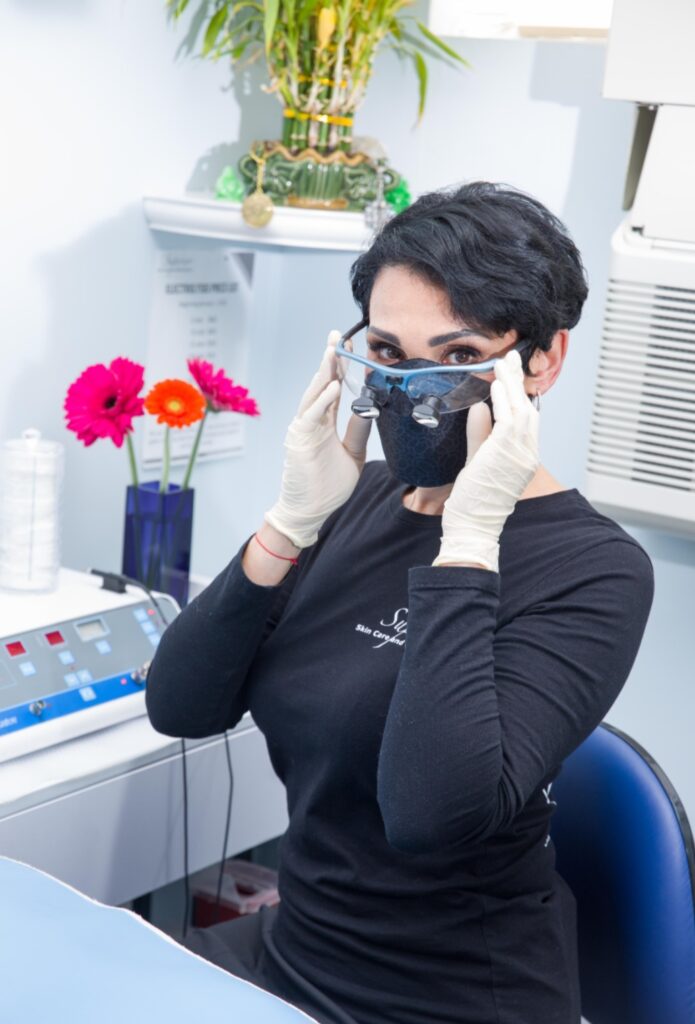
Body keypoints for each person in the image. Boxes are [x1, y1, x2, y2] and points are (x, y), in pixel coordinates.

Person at [145, 182, 654, 1024]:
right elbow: (182, 705)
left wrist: (468, 542)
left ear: (542, 362)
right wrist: (292, 519)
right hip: (294, 952)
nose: (414, 389)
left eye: (457, 359)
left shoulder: (595, 569)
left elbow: (427, 814)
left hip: (448, 996)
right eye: (386, 348)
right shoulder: (354, 500)